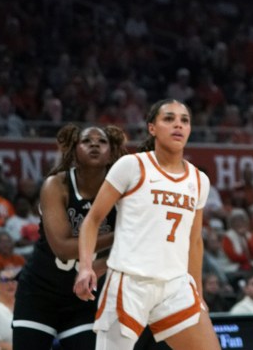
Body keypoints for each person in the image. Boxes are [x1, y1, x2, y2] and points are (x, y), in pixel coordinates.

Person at [74, 100, 219, 350]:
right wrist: (86, 267)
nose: (178, 125)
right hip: (130, 283)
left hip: (175, 285)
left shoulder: (199, 180)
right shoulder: (132, 166)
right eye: (169, 119)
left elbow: (194, 241)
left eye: (184, 120)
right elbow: (92, 219)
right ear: (152, 128)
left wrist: (198, 292)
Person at [13, 124, 126, 350]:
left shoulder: (122, 191)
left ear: (111, 153)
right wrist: (121, 234)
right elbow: (63, 248)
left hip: (84, 297)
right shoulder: (56, 185)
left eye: (102, 141)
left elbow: (134, 245)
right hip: (40, 290)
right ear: (73, 151)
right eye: (86, 141)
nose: (94, 144)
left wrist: (104, 263)